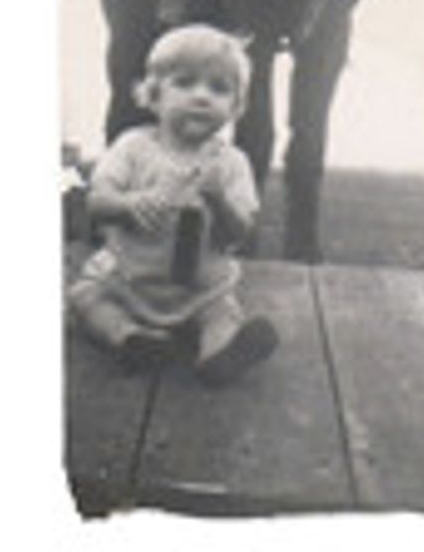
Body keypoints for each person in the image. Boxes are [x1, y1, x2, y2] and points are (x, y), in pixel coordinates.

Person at [68, 25, 278, 385]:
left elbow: (240, 234)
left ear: (236, 107)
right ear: (154, 95)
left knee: (222, 312)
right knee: (86, 298)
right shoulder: (132, 148)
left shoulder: (232, 164)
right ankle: (131, 338)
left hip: (201, 290)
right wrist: (128, 204)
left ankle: (218, 354)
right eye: (185, 83)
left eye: (219, 88)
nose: (202, 97)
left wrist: (219, 200)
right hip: (128, 282)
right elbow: (97, 202)